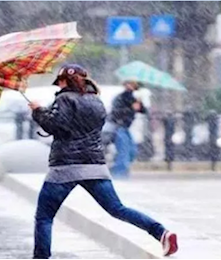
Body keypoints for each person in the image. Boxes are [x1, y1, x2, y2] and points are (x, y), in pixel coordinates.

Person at [28, 64, 177, 259]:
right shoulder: (96, 101)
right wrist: (47, 112)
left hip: (66, 167)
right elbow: (75, 125)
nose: (59, 86)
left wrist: (38, 111)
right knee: (117, 209)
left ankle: (41, 257)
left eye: (60, 82)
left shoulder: (64, 98)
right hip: (94, 166)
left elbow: (58, 126)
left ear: (65, 81)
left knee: (44, 217)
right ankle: (160, 232)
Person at [105, 80, 147, 178]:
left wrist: (139, 105)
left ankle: (118, 169)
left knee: (132, 151)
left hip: (125, 127)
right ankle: (119, 173)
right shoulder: (121, 97)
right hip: (118, 126)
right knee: (123, 151)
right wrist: (131, 108)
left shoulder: (134, 98)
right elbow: (116, 112)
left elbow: (143, 111)